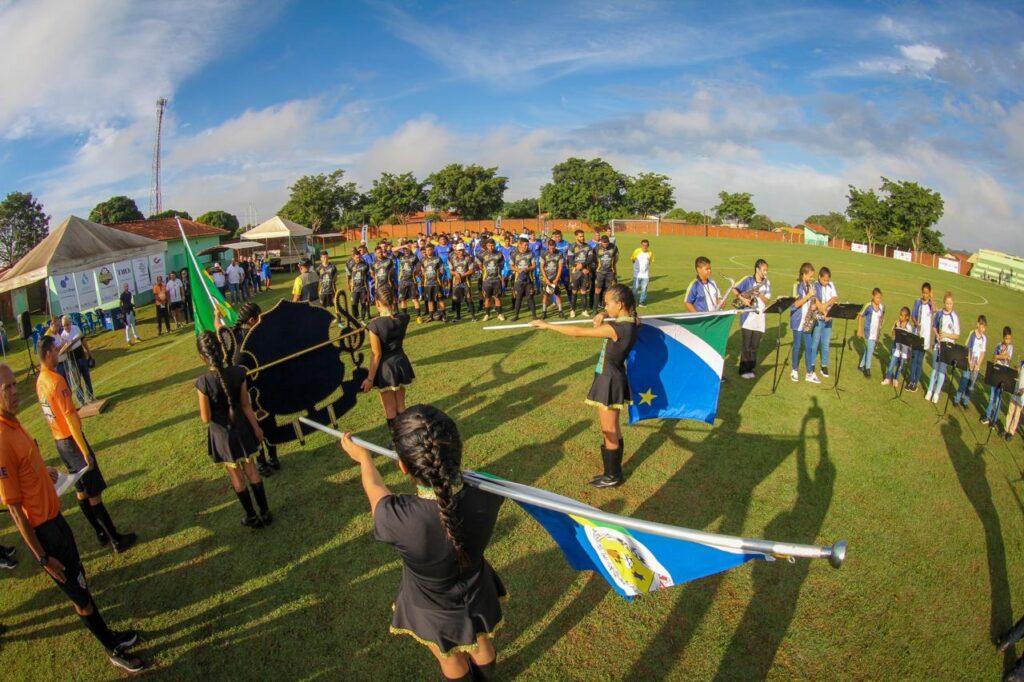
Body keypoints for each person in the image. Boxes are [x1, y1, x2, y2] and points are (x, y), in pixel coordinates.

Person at [340, 405, 504, 682]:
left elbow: (375, 490)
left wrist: (365, 460)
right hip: (477, 589)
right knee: (482, 640)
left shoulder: (397, 518)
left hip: (430, 606)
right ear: (458, 451)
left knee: (448, 655)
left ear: (403, 466)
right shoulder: (489, 494)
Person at [0, 364, 147, 672]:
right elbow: (14, 510)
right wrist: (42, 558)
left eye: (15, 385)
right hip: (45, 534)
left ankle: (111, 637)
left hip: (57, 521)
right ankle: (112, 648)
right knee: (79, 596)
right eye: (7, 389)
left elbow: (26, 466)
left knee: (82, 585)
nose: (15, 393)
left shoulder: (13, 423)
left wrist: (45, 470)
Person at [530, 284, 638, 488]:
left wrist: (547, 325)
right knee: (613, 428)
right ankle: (613, 472)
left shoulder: (615, 329)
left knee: (609, 430)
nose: (605, 306)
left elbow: (577, 331)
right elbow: (616, 315)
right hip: (614, 375)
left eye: (607, 303)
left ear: (620, 304)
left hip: (609, 379)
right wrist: (604, 312)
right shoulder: (631, 322)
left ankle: (613, 476)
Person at [37, 336, 136, 552]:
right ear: (47, 354)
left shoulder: (40, 380)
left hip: (59, 442)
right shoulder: (56, 380)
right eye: (55, 350)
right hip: (71, 441)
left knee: (81, 490)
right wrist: (85, 452)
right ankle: (116, 540)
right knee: (93, 492)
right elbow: (70, 417)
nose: (58, 352)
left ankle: (100, 533)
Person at [195, 330, 272, 528]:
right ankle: (265, 512)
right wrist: (257, 429)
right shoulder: (239, 372)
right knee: (252, 470)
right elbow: (246, 405)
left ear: (202, 356)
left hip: (223, 436)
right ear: (222, 348)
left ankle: (251, 516)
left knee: (236, 477)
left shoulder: (203, 382)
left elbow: (206, 418)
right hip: (243, 428)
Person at [227, 303, 281, 476]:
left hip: (245, 393)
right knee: (265, 424)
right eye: (260, 316)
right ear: (251, 320)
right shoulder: (252, 339)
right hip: (255, 390)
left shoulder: (232, 337)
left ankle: (267, 460)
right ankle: (267, 461)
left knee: (255, 426)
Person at [361, 288, 415, 432]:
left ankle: (397, 441)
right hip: (401, 363)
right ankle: (406, 436)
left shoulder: (374, 326)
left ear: (377, 303)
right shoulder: (403, 319)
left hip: (386, 369)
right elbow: (398, 315)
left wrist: (370, 379)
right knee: (401, 406)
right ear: (394, 301)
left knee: (390, 410)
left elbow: (376, 354)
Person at [732, 259, 771, 379]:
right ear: (757, 269)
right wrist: (742, 299)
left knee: (755, 346)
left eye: (766, 270)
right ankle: (743, 370)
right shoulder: (748, 279)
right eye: (764, 270)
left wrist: (760, 294)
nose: (765, 272)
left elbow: (767, 300)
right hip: (747, 318)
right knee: (746, 345)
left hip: (760, 318)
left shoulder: (767, 283)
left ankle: (750, 368)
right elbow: (734, 289)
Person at [924, 292, 961, 404]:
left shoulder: (954, 317)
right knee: (935, 368)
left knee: (941, 371)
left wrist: (946, 335)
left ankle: (937, 393)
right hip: (938, 345)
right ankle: (930, 390)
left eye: (951, 303)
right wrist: (937, 334)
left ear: (953, 303)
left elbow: (957, 335)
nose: (949, 305)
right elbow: (934, 327)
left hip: (947, 348)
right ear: (944, 303)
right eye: (947, 303)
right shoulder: (939, 313)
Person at [790, 262, 821, 384]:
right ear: (804, 274)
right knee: (797, 346)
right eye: (810, 276)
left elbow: (812, 301)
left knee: (809, 347)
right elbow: (795, 305)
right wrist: (808, 296)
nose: (812, 279)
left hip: (808, 321)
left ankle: (809, 373)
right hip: (798, 321)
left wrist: (814, 306)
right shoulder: (796, 286)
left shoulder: (811, 286)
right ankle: (794, 370)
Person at [981, 326, 1013, 426]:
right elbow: (993, 358)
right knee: (991, 397)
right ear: (1003, 337)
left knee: (998, 398)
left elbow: (1007, 357)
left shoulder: (1010, 347)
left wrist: (998, 356)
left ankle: (994, 420)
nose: (1008, 341)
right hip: (996, 373)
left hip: (1003, 374)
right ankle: (987, 416)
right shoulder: (998, 345)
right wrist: (998, 356)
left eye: (1009, 339)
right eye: (1006, 338)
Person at [59, 315, 95, 404]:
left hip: (81, 356)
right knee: (77, 381)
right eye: (64, 325)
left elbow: (83, 341)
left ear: (70, 323)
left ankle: (91, 395)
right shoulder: (62, 336)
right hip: (72, 360)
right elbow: (63, 351)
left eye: (68, 324)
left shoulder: (76, 328)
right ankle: (82, 400)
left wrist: (89, 353)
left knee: (87, 376)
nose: (67, 327)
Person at [907, 282, 935, 392]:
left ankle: (915, 382)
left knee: (919, 360)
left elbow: (935, 310)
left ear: (930, 293)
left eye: (927, 293)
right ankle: (911, 380)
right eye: (923, 293)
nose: (925, 295)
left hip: (925, 337)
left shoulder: (930, 304)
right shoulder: (917, 302)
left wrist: (932, 299)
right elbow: (913, 315)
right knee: (914, 358)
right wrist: (916, 324)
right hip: (917, 335)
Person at [954, 315, 987, 407]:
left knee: (971, 385)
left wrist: (977, 365)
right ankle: (957, 399)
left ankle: (965, 401)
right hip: (969, 362)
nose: (983, 329)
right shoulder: (973, 335)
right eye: (982, 326)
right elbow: (969, 349)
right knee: (964, 381)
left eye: (984, 327)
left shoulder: (984, 339)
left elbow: (982, 353)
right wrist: (970, 362)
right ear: (977, 325)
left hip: (976, 365)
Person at [812, 267, 839, 378]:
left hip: (829, 319)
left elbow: (834, 298)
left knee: (826, 343)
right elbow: (815, 300)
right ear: (819, 277)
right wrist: (824, 312)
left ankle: (824, 365)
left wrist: (826, 307)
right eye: (824, 280)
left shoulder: (831, 285)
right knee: (815, 342)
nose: (826, 282)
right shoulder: (814, 285)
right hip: (819, 318)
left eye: (827, 280)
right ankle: (812, 364)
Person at [882, 307, 915, 388]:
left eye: (902, 316)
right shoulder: (896, 323)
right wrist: (896, 327)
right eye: (900, 315)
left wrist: (909, 353)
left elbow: (910, 340)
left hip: (904, 350)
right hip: (896, 348)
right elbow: (893, 334)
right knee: (892, 363)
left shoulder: (909, 327)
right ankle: (888, 378)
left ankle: (896, 379)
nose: (900, 317)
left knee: (900, 365)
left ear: (907, 317)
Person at [856, 288, 884, 378]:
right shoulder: (868, 306)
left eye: (880, 298)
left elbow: (882, 318)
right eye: (877, 298)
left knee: (869, 349)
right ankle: (867, 368)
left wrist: (881, 323)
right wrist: (859, 329)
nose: (878, 300)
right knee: (871, 349)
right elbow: (860, 316)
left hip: (875, 332)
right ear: (873, 296)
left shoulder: (881, 307)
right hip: (868, 331)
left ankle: (861, 366)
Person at [567, 229, 594, 318]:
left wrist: (582, 265)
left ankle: (584, 310)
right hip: (575, 273)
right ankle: (573, 310)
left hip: (585, 272)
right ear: (576, 237)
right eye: (580, 236)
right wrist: (577, 266)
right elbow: (570, 260)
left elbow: (590, 259)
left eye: (583, 236)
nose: (582, 238)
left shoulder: (588, 247)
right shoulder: (572, 246)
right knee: (574, 291)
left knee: (583, 291)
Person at [476, 239, 505, 322]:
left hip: (496, 279)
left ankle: (499, 314)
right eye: (489, 245)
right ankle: (487, 314)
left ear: (494, 245)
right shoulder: (482, 254)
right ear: (486, 245)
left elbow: (501, 266)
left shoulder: (499, 254)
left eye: (492, 245)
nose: (491, 247)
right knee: (487, 298)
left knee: (497, 297)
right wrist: (485, 271)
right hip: (486, 280)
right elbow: (479, 265)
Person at [509, 238, 538, 321]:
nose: (527, 246)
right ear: (520, 244)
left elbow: (534, 265)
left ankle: (534, 316)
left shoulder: (531, 253)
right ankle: (516, 316)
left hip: (529, 280)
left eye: (527, 245)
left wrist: (527, 269)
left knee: (530, 297)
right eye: (525, 245)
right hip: (518, 280)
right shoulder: (513, 254)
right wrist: (518, 270)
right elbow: (511, 266)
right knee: (518, 298)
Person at [418, 243, 447, 323]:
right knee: (430, 300)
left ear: (433, 250)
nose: (428, 251)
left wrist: (440, 275)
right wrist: (422, 275)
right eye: (427, 250)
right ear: (425, 251)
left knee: (440, 300)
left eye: (430, 249)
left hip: (436, 283)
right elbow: (420, 269)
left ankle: (444, 316)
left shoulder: (437, 258)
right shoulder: (423, 260)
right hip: (427, 284)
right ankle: (431, 317)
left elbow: (442, 269)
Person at [448, 243, 477, 322]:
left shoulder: (468, 258)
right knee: (457, 300)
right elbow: (451, 270)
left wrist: (462, 275)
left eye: (462, 250)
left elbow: (471, 270)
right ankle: (458, 316)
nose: (461, 251)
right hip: (456, 283)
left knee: (469, 299)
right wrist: (456, 274)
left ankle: (473, 316)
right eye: (459, 250)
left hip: (466, 282)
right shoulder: (452, 259)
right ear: (456, 251)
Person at [540, 239, 566, 320]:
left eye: (553, 247)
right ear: (548, 246)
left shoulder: (559, 253)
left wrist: (557, 279)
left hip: (555, 278)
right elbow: (542, 267)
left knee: (557, 295)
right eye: (550, 248)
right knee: (545, 295)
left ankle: (560, 312)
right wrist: (546, 279)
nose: (552, 249)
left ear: (555, 246)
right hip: (546, 278)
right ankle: (544, 312)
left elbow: (560, 267)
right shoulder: (543, 254)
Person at [591, 235, 618, 313]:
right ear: (601, 242)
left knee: (609, 291)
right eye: (604, 243)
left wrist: (614, 269)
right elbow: (593, 260)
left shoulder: (614, 247)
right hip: (600, 272)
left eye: (607, 242)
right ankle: (595, 308)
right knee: (597, 290)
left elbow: (616, 258)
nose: (606, 244)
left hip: (610, 272)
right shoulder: (596, 248)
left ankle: (607, 308)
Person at [396, 242, 422, 319]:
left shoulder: (414, 256)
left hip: (412, 281)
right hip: (402, 281)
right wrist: (403, 245)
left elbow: (419, 266)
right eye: (404, 249)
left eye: (407, 249)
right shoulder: (400, 255)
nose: (406, 251)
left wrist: (416, 272)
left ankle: (418, 316)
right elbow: (392, 249)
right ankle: (404, 316)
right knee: (403, 299)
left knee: (415, 299)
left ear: (409, 249)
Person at [346, 249, 372, 320]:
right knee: (353, 303)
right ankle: (356, 316)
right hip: (354, 288)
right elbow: (348, 275)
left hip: (363, 287)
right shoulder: (350, 265)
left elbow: (367, 275)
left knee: (363, 303)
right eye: (357, 257)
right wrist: (349, 284)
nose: (358, 259)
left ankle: (363, 318)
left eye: (359, 257)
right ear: (353, 257)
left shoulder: (365, 265)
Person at [1004, 359, 1024, 441]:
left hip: (1022, 394)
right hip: (1015, 390)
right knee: (1010, 410)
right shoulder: (1021, 362)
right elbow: (1017, 373)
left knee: (1017, 414)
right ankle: (1006, 429)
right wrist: (1016, 369)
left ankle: (1011, 432)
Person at [631, 240, 654, 307]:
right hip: (637, 275)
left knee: (644, 289)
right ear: (641, 245)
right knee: (635, 289)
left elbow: (649, 262)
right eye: (643, 245)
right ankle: (634, 302)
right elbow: (632, 259)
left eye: (646, 245)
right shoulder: (636, 251)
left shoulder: (650, 253)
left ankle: (642, 302)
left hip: (645, 275)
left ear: (648, 246)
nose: (644, 247)